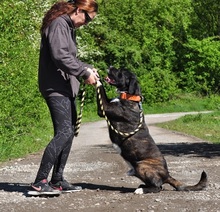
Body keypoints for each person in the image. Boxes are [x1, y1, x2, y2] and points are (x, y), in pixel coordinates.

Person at [29, 0, 99, 195]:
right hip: (55, 87)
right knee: (64, 132)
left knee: (68, 133)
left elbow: (70, 58)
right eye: (87, 19)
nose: (86, 24)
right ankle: (39, 181)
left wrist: (86, 67)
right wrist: (84, 74)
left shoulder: (67, 27)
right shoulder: (59, 24)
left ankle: (57, 180)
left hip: (65, 87)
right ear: (79, 10)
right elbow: (60, 56)